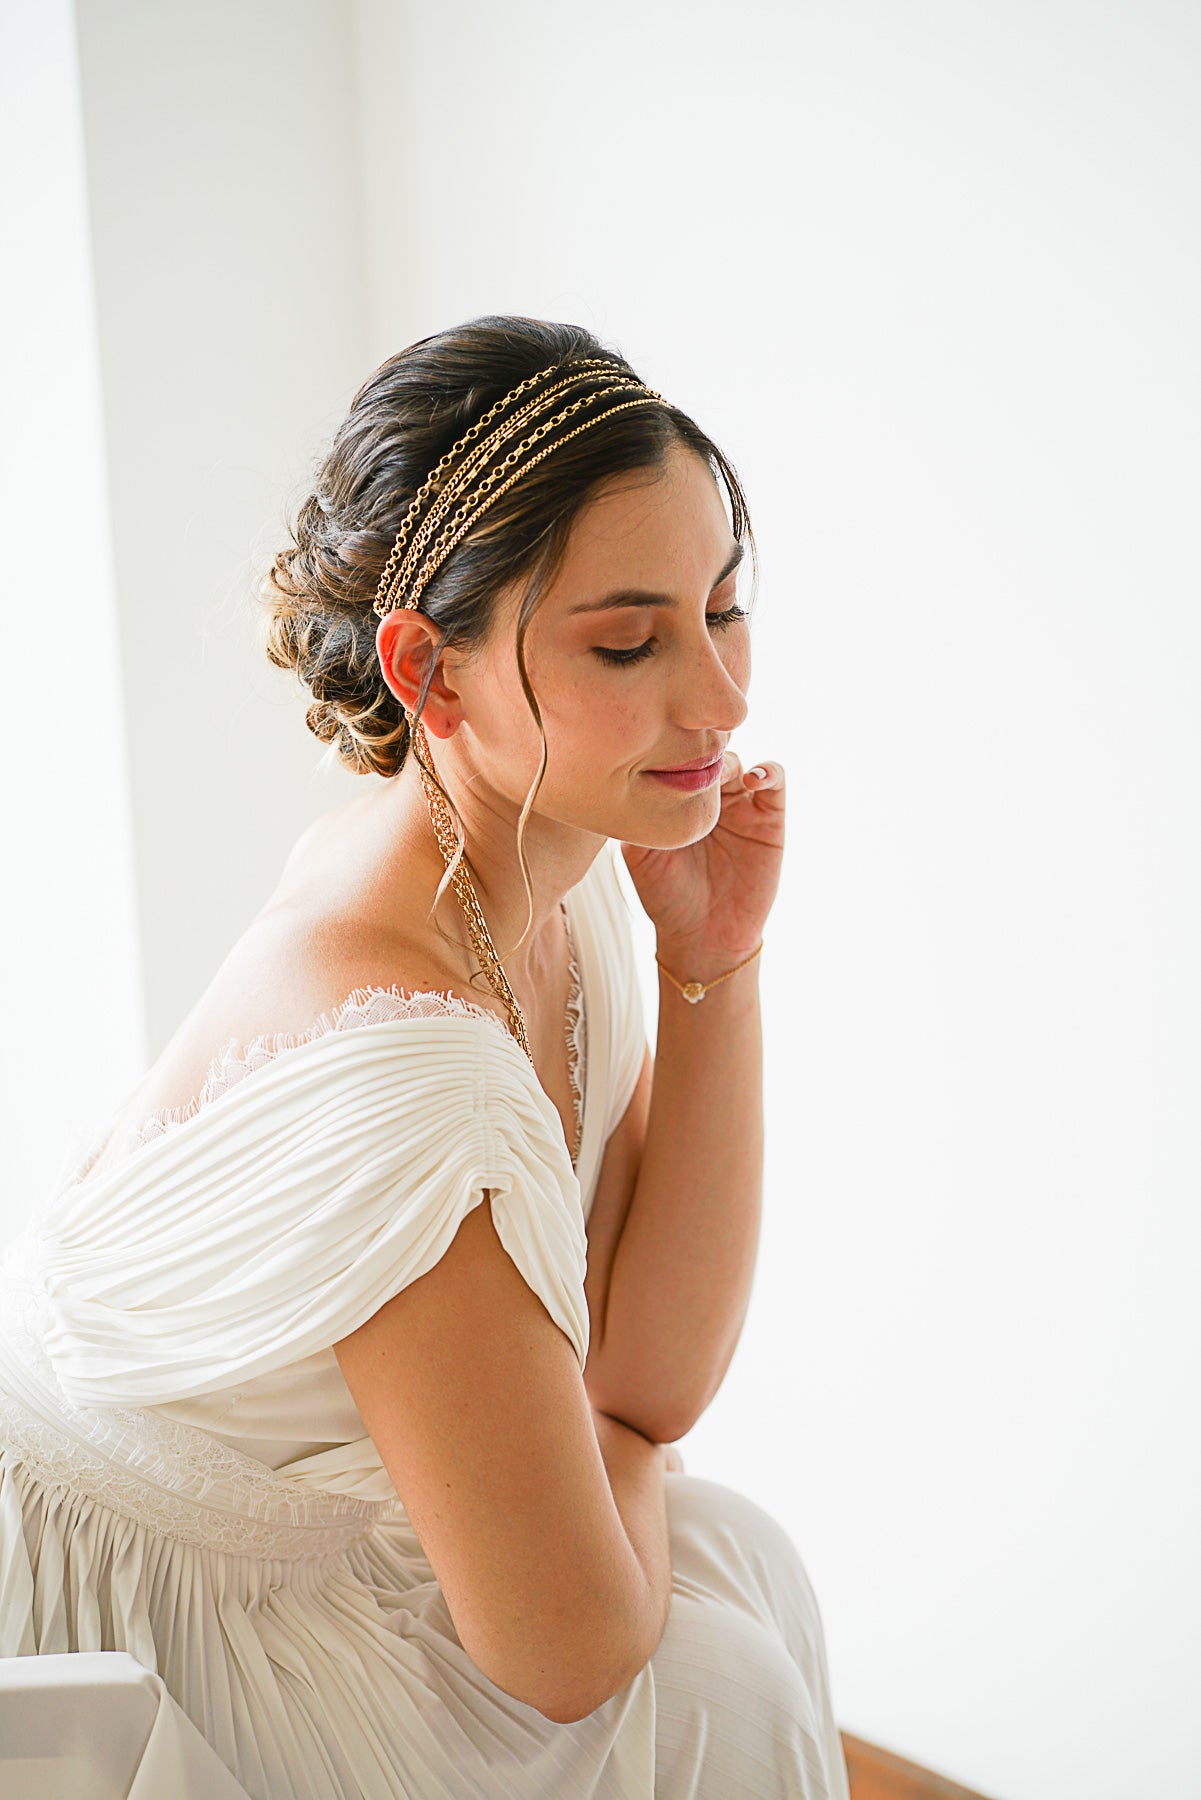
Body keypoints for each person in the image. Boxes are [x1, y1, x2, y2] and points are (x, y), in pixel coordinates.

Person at [0, 316, 852, 1799]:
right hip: (150, 1607)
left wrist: (713, 963)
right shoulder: (405, 1059)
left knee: (738, 1557)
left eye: (724, 610)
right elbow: (566, 1645)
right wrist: (610, 1436)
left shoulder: (552, 869)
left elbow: (652, 1379)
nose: (720, 700)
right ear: (428, 670)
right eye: (629, 641)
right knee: (724, 1683)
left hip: (304, 1523)